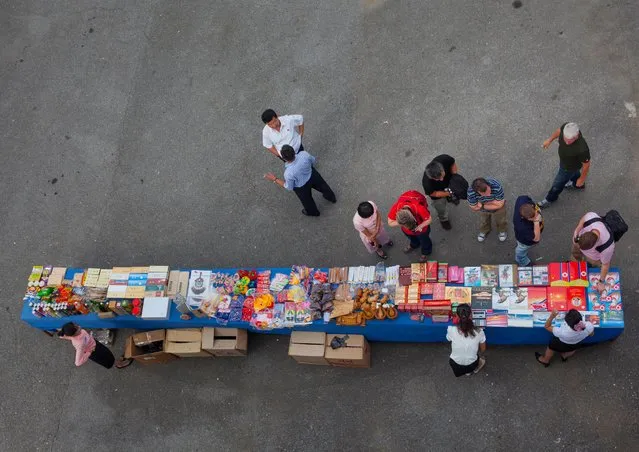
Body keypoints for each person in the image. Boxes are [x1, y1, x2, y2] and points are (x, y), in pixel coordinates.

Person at [264, 145, 336, 216]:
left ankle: (313, 212)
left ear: (284, 159)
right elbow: (313, 160)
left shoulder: (288, 173)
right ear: (293, 151)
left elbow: (289, 187)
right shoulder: (304, 154)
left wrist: (275, 179)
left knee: (307, 201)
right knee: (323, 186)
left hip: (301, 187)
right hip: (312, 175)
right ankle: (331, 197)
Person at [537, 122, 591, 208]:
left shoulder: (582, 149)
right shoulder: (568, 128)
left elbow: (586, 165)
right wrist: (550, 140)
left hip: (568, 167)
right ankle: (577, 184)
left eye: (570, 140)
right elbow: (559, 130)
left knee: (557, 184)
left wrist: (582, 179)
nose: (566, 142)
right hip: (567, 162)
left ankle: (550, 198)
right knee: (574, 173)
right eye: (565, 138)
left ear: (576, 136)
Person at [572, 212, 615, 292]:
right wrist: (577, 233)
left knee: (593, 266)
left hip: (593, 258)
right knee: (575, 254)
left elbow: (605, 265)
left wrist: (601, 282)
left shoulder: (607, 246)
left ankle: (589, 267)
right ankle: (578, 264)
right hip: (583, 247)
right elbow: (582, 221)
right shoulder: (591, 218)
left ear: (594, 245)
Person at [58, 322, 132, 369]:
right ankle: (118, 364)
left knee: (109, 354)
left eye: (76, 324)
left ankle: (116, 361)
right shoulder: (80, 344)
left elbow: (65, 336)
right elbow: (78, 362)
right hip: (95, 352)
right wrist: (88, 353)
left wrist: (63, 336)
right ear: (74, 334)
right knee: (109, 359)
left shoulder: (75, 334)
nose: (79, 326)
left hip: (95, 344)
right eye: (77, 328)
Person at [387, 190, 432, 262]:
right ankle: (414, 244)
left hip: (422, 230)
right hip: (407, 231)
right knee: (411, 237)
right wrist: (401, 222)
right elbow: (390, 222)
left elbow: (429, 219)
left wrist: (420, 226)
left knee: (425, 241)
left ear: (414, 218)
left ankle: (426, 252)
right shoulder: (396, 207)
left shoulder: (419, 208)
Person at [446, 304, 487, 377]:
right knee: (481, 361)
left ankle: (465, 372)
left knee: (461, 369)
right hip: (472, 363)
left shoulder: (451, 330)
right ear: (471, 316)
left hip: (455, 364)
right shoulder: (479, 331)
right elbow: (483, 349)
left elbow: (448, 339)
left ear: (457, 316)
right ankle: (469, 372)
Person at [421, 155, 458, 230]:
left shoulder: (444, 159)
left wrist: (455, 176)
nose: (441, 179)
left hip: (450, 183)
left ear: (442, 169)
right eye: (437, 179)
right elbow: (434, 193)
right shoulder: (426, 183)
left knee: (453, 193)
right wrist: (448, 193)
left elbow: (453, 163)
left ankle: (451, 198)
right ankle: (444, 219)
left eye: (442, 176)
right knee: (441, 208)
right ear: (431, 177)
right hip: (438, 194)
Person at [467, 177, 508, 242]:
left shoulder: (496, 186)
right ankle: (484, 230)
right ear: (477, 191)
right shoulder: (471, 191)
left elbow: (500, 205)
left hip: (496, 209)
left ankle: (502, 230)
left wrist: (482, 205)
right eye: (484, 194)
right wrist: (494, 202)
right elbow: (474, 207)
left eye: (489, 191)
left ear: (488, 184)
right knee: (484, 221)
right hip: (485, 210)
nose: (488, 195)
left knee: (501, 221)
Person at [513, 195, 543, 266]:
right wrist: (536, 222)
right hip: (524, 241)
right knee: (520, 252)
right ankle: (523, 261)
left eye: (535, 214)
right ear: (523, 218)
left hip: (526, 234)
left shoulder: (522, 199)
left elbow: (526, 197)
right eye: (533, 218)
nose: (536, 217)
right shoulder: (522, 227)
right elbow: (536, 238)